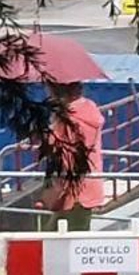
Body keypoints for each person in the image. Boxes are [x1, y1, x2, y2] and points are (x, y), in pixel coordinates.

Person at [40, 81, 105, 231]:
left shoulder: (66, 119)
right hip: (88, 183)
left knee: (55, 241)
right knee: (74, 238)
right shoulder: (89, 108)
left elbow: (62, 151)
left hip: (71, 189)